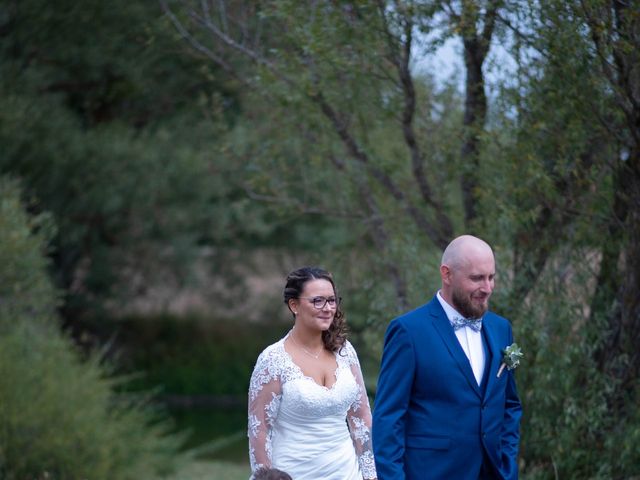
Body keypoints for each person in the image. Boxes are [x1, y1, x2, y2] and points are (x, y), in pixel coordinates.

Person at [372, 235, 522, 480]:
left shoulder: (500, 328)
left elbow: (510, 405)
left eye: (491, 277)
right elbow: (389, 418)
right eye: (476, 278)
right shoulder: (409, 331)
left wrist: (507, 463)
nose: (487, 288)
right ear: (447, 274)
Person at [248, 266, 377, 480]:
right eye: (318, 301)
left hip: (347, 472)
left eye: (332, 300)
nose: (327, 308)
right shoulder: (273, 360)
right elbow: (259, 431)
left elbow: (362, 418)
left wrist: (371, 474)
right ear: (294, 305)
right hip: (295, 473)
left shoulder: (345, 351)